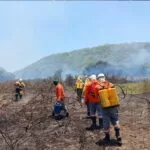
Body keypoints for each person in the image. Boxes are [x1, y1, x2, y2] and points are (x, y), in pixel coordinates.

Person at [97, 73, 122, 145]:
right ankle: (118, 136)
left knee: (106, 122)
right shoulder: (111, 84)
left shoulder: (97, 86)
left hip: (105, 108)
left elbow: (97, 98)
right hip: (114, 106)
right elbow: (115, 94)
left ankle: (107, 137)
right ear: (104, 77)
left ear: (98, 79)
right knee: (115, 120)